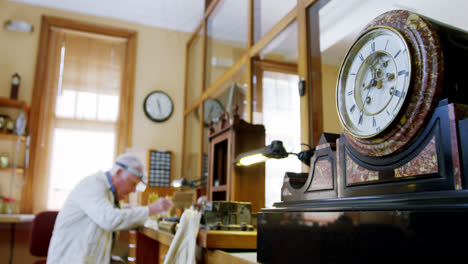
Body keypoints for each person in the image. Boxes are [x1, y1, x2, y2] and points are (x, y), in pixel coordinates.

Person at [47, 153, 173, 264]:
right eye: (132, 184)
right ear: (118, 173)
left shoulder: (110, 195)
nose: (134, 190)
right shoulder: (92, 185)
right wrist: (150, 209)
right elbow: (110, 220)